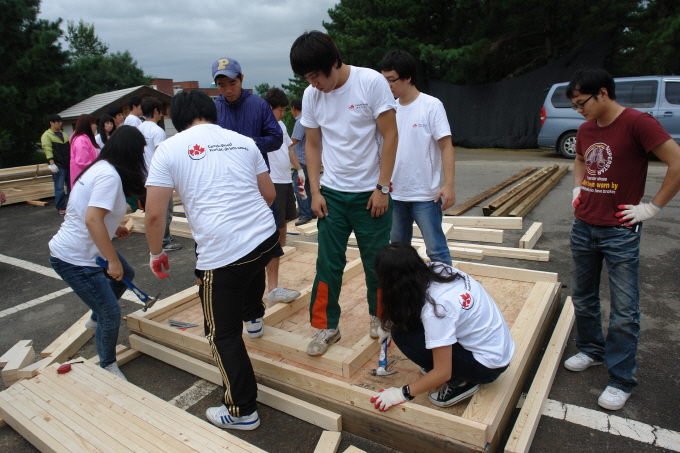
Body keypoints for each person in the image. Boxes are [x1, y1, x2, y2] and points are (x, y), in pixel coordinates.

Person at [144, 90, 279, 431]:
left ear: (177, 119)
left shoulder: (168, 149)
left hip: (222, 253)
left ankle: (242, 410)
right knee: (251, 268)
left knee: (222, 335)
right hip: (265, 237)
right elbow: (269, 194)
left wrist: (156, 253)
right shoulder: (244, 142)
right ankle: (255, 317)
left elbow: (154, 215)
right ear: (212, 113)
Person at [564, 68, 680, 411]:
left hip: (619, 231)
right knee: (583, 297)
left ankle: (621, 379)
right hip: (584, 225)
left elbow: (676, 162)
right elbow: (581, 159)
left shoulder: (638, 123)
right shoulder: (586, 129)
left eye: (581, 103)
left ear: (602, 93)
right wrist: (578, 189)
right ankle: (591, 350)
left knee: (624, 310)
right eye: (574, 106)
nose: (579, 111)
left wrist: (652, 208)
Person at [290, 31, 399, 356]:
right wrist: (315, 191)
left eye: (316, 75)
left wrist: (383, 187)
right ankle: (327, 327)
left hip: (370, 194)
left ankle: (380, 316)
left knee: (377, 263)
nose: (313, 83)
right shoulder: (312, 95)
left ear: (333, 63)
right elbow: (312, 145)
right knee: (328, 263)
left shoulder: (370, 82)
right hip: (333, 195)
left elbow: (391, 135)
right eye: (306, 78)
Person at [48, 126, 147, 380]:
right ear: (130, 153)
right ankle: (108, 365)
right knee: (110, 312)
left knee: (127, 274)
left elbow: (86, 211)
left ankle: (95, 318)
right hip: (75, 258)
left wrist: (115, 227)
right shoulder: (109, 176)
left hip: (85, 250)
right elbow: (92, 219)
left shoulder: (100, 167)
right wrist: (112, 260)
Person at [369, 243, 514, 410]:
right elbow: (412, 301)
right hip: (498, 350)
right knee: (404, 324)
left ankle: (461, 383)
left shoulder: (437, 310)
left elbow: (442, 372)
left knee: (402, 334)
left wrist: (401, 394)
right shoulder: (437, 268)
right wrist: (389, 323)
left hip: (486, 369)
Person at [380, 50, 456, 264]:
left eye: (391, 80)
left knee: (436, 250)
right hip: (395, 194)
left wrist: (449, 184)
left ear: (408, 77)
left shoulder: (431, 105)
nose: (388, 86)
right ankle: (404, 285)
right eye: (384, 80)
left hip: (425, 195)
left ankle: (447, 285)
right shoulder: (389, 109)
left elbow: (446, 146)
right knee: (398, 250)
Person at [261, 88, 304, 304]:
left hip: (285, 179)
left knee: (284, 221)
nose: (282, 114)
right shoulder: (260, 124)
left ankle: (279, 259)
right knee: (272, 226)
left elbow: (289, 149)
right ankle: (271, 280)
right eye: (280, 110)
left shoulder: (281, 125)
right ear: (270, 107)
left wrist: (299, 169)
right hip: (271, 180)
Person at [138, 97, 182, 252]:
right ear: (156, 111)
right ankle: (164, 241)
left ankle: (159, 237)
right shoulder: (157, 131)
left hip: (143, 175)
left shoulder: (138, 128)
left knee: (151, 210)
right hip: (157, 177)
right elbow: (161, 155)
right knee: (164, 210)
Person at [290, 97, 314, 226]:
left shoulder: (300, 121)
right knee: (308, 187)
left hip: (301, 161)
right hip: (308, 160)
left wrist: (282, 143)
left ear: (293, 108)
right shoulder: (308, 119)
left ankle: (305, 214)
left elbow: (294, 140)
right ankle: (311, 211)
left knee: (300, 188)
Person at [40, 114, 70, 214]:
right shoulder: (47, 135)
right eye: (57, 122)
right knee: (59, 187)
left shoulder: (64, 134)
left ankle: (72, 205)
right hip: (58, 165)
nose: (60, 124)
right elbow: (48, 150)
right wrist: (52, 164)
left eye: (61, 121)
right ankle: (61, 207)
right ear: (51, 123)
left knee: (71, 186)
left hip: (67, 163)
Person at [70, 114, 99, 187]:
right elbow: (83, 162)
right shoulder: (81, 139)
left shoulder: (85, 138)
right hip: (84, 177)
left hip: (86, 175)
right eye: (94, 123)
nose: (96, 126)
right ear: (88, 125)